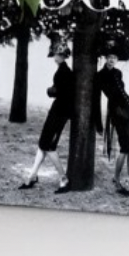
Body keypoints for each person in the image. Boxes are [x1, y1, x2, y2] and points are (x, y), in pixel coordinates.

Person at [19, 42, 74, 194]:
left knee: (48, 146)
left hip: (60, 112)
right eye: (56, 53)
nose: (56, 56)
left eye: (58, 54)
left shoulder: (64, 72)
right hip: (58, 111)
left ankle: (63, 178)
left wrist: (49, 91)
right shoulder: (64, 70)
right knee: (44, 143)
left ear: (62, 56)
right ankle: (32, 176)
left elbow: (61, 92)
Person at [94, 46, 129, 197]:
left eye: (114, 57)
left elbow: (122, 92)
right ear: (105, 58)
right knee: (125, 148)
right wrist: (99, 124)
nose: (112, 60)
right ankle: (116, 178)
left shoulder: (118, 72)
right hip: (117, 113)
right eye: (109, 57)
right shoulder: (99, 76)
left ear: (117, 59)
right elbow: (96, 100)